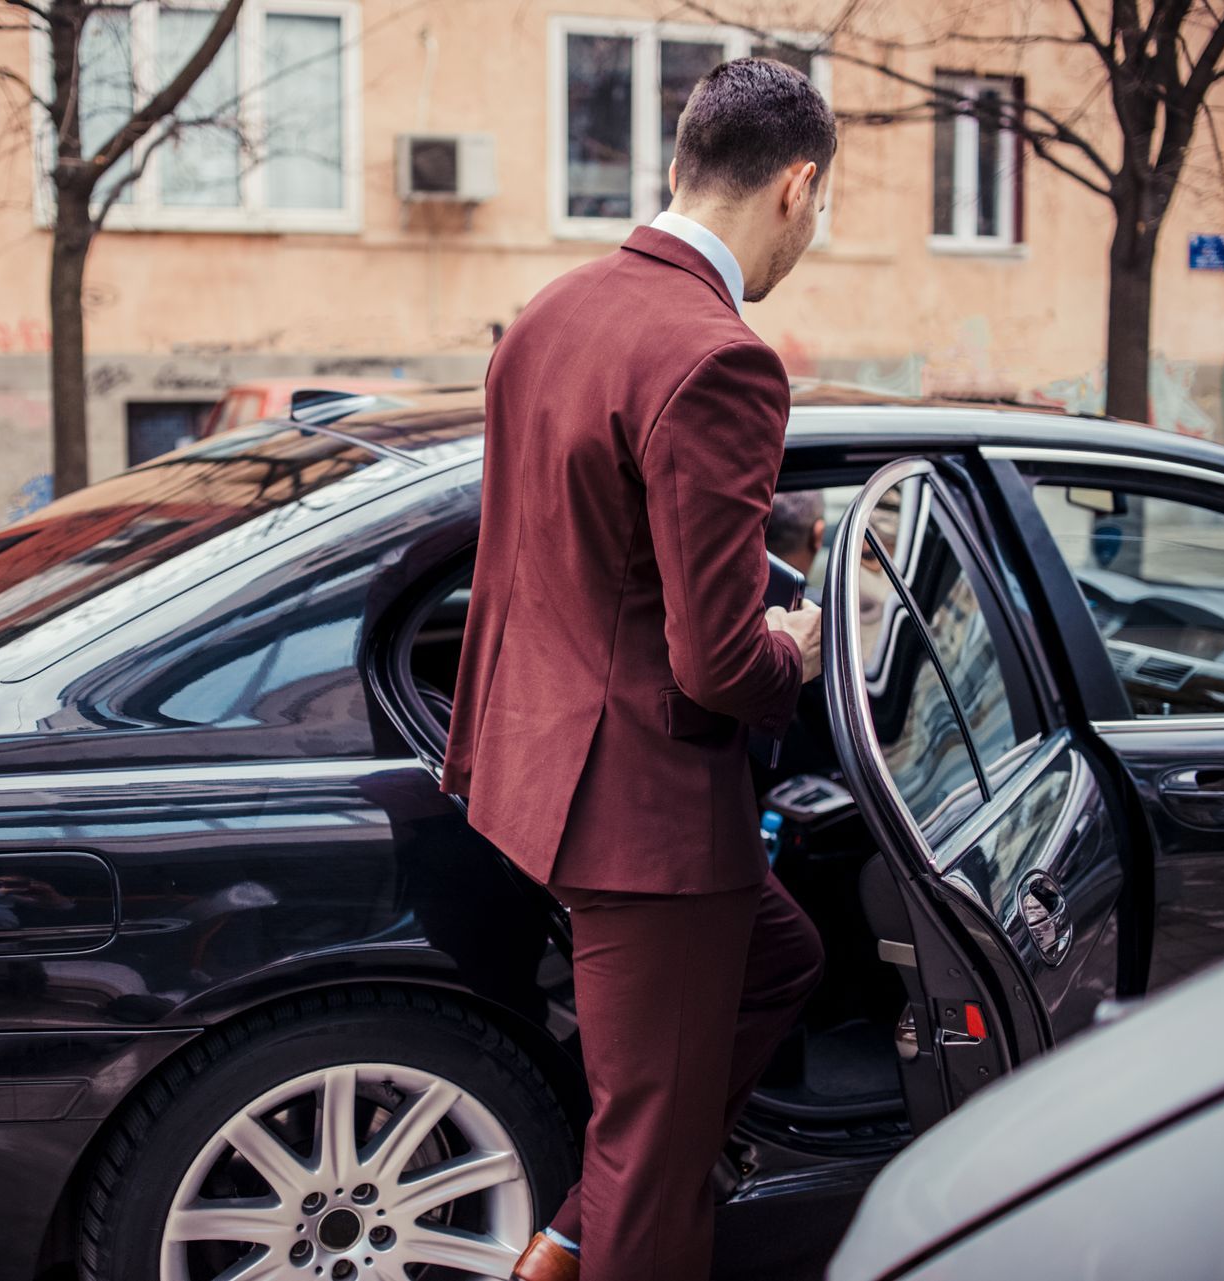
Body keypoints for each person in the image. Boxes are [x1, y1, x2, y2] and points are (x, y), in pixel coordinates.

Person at [440, 57, 836, 1281]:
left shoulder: (547, 318)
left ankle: (569, 1231)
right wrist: (803, 656)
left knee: (785, 961)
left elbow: (536, 561)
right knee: (655, 1168)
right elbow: (719, 662)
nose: (813, 235)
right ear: (797, 185)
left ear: (678, 165)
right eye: (821, 210)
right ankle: (602, 1230)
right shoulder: (721, 358)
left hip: (533, 774)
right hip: (649, 825)